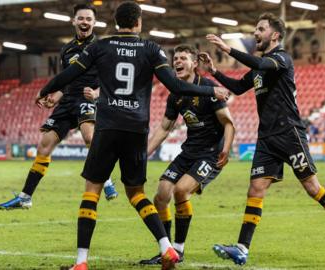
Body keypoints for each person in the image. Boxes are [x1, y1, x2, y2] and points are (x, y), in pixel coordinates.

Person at [35, 2, 229, 270]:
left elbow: (69, 74)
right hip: (137, 130)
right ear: (138, 23)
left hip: (108, 126)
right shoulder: (151, 49)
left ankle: (81, 262)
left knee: (92, 191)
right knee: (137, 193)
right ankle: (167, 249)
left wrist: (44, 90)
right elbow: (173, 85)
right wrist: (211, 91)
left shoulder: (99, 47)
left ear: (116, 23)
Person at [199, 12, 325, 265]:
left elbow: (262, 65)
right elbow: (239, 88)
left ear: (274, 34)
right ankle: (242, 248)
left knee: (312, 188)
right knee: (256, 188)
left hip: (289, 134)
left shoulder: (281, 59)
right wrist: (214, 72)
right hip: (266, 137)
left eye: (260, 29)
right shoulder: (260, 68)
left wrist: (228, 49)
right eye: (255, 29)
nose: (255, 33)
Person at [0, 4, 118, 211]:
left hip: (86, 99)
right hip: (67, 101)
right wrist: (55, 97)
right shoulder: (67, 49)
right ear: (73, 21)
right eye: (81, 18)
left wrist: (98, 93)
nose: (85, 22)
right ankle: (25, 196)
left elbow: (113, 78)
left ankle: (106, 180)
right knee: (45, 144)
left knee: (89, 137)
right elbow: (67, 79)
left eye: (89, 19)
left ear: (94, 23)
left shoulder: (101, 47)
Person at [139, 44, 235, 265]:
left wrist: (226, 149)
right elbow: (164, 129)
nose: (177, 62)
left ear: (194, 63)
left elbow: (229, 124)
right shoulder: (176, 95)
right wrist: (143, 154)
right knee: (161, 195)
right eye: (175, 59)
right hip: (189, 152)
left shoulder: (210, 89)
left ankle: (178, 250)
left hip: (210, 155)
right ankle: (167, 248)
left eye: (183, 58)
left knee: (181, 190)